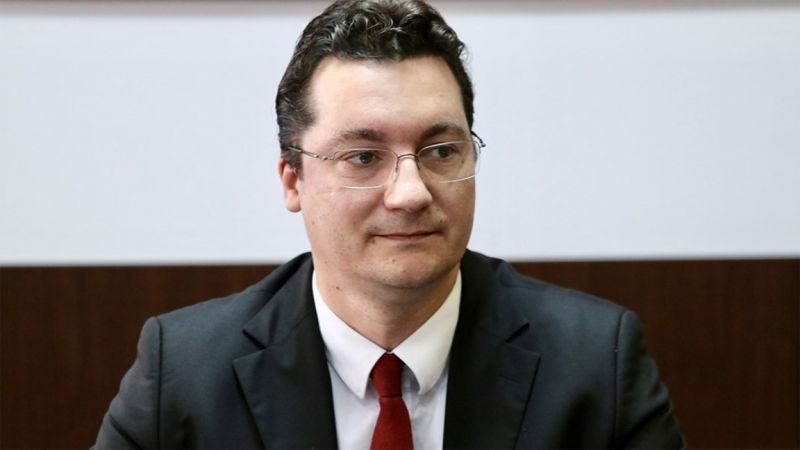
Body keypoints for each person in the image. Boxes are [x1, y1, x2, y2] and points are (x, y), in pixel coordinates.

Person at [94, 0, 685, 448]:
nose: (410, 193)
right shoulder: (185, 373)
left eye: (441, 151)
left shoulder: (593, 362)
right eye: (362, 157)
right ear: (293, 180)